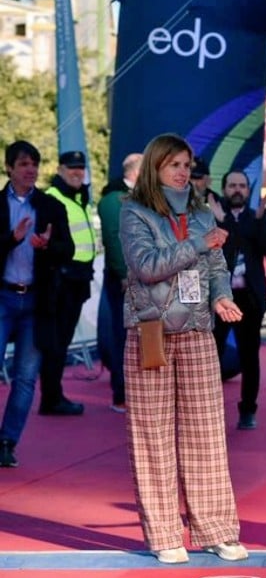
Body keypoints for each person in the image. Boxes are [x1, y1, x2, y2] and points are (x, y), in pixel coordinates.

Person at [120, 133, 248, 565]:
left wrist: (221, 296)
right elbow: (146, 267)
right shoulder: (134, 212)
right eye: (174, 164)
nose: (182, 172)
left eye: (186, 165)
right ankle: (163, 534)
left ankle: (216, 530)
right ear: (156, 167)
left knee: (206, 433)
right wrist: (197, 244)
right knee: (152, 435)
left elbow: (217, 266)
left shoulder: (200, 212)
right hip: (150, 331)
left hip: (196, 329)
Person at [0, 141, 73, 467]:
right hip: (3, 297)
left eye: (34, 164)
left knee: (26, 377)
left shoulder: (50, 206)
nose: (30, 170)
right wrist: (12, 239)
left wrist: (47, 246)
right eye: (24, 164)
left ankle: (7, 442)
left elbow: (68, 250)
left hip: (37, 300)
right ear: (9, 168)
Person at [212, 170, 266, 430]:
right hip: (219, 298)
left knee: (250, 358)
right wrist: (224, 221)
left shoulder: (258, 217)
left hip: (249, 299)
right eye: (232, 185)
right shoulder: (212, 217)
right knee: (211, 356)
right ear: (224, 189)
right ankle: (208, 410)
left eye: (242, 185)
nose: (237, 190)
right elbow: (220, 245)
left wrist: (258, 222)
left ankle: (248, 410)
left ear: (248, 190)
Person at [39, 149, 98, 416]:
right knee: (56, 342)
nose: (77, 172)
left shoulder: (79, 197)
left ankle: (53, 395)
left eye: (81, 168)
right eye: (72, 167)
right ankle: (51, 398)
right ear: (60, 170)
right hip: (61, 280)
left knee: (61, 341)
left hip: (78, 278)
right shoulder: (52, 198)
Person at [98, 152, 141, 413]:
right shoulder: (114, 200)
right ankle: (122, 393)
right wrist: (124, 274)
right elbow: (114, 239)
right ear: (137, 172)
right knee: (123, 337)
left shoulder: (142, 197)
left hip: (146, 277)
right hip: (124, 280)